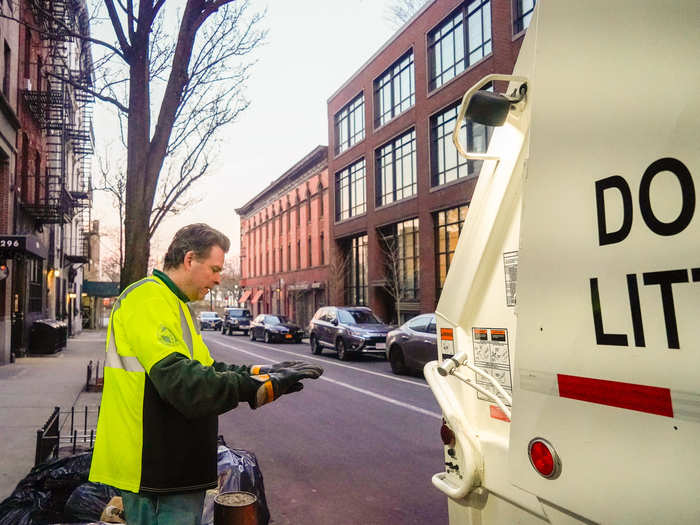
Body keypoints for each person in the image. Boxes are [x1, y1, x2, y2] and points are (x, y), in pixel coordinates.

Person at [89, 223, 323, 525]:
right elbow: (185, 384)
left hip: (171, 468)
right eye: (214, 269)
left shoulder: (176, 306)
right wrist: (254, 387)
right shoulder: (147, 300)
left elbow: (207, 369)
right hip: (154, 471)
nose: (218, 279)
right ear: (189, 260)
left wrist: (263, 372)